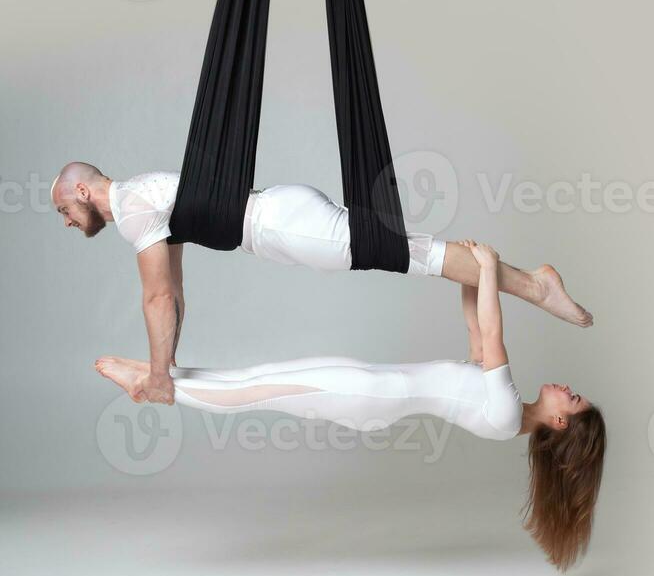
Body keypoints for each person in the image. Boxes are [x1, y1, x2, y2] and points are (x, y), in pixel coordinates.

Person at [96, 242, 606, 571]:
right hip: (368, 389)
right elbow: (477, 329)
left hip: (365, 394)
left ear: (560, 422)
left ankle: (153, 385)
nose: (567, 387)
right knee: (257, 382)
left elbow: (493, 331)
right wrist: (471, 275)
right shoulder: (505, 408)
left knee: (254, 389)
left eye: (573, 399)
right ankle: (152, 373)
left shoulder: (507, 414)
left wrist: (491, 267)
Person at [51, 163, 593, 405]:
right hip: (279, 220)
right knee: (402, 252)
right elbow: (173, 294)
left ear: (80, 189)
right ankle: (531, 285)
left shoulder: (131, 209)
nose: (67, 222)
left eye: (63, 210)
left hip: (283, 225)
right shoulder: (143, 195)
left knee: (403, 253)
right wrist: (163, 368)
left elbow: (158, 297)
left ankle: (535, 285)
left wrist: (163, 376)